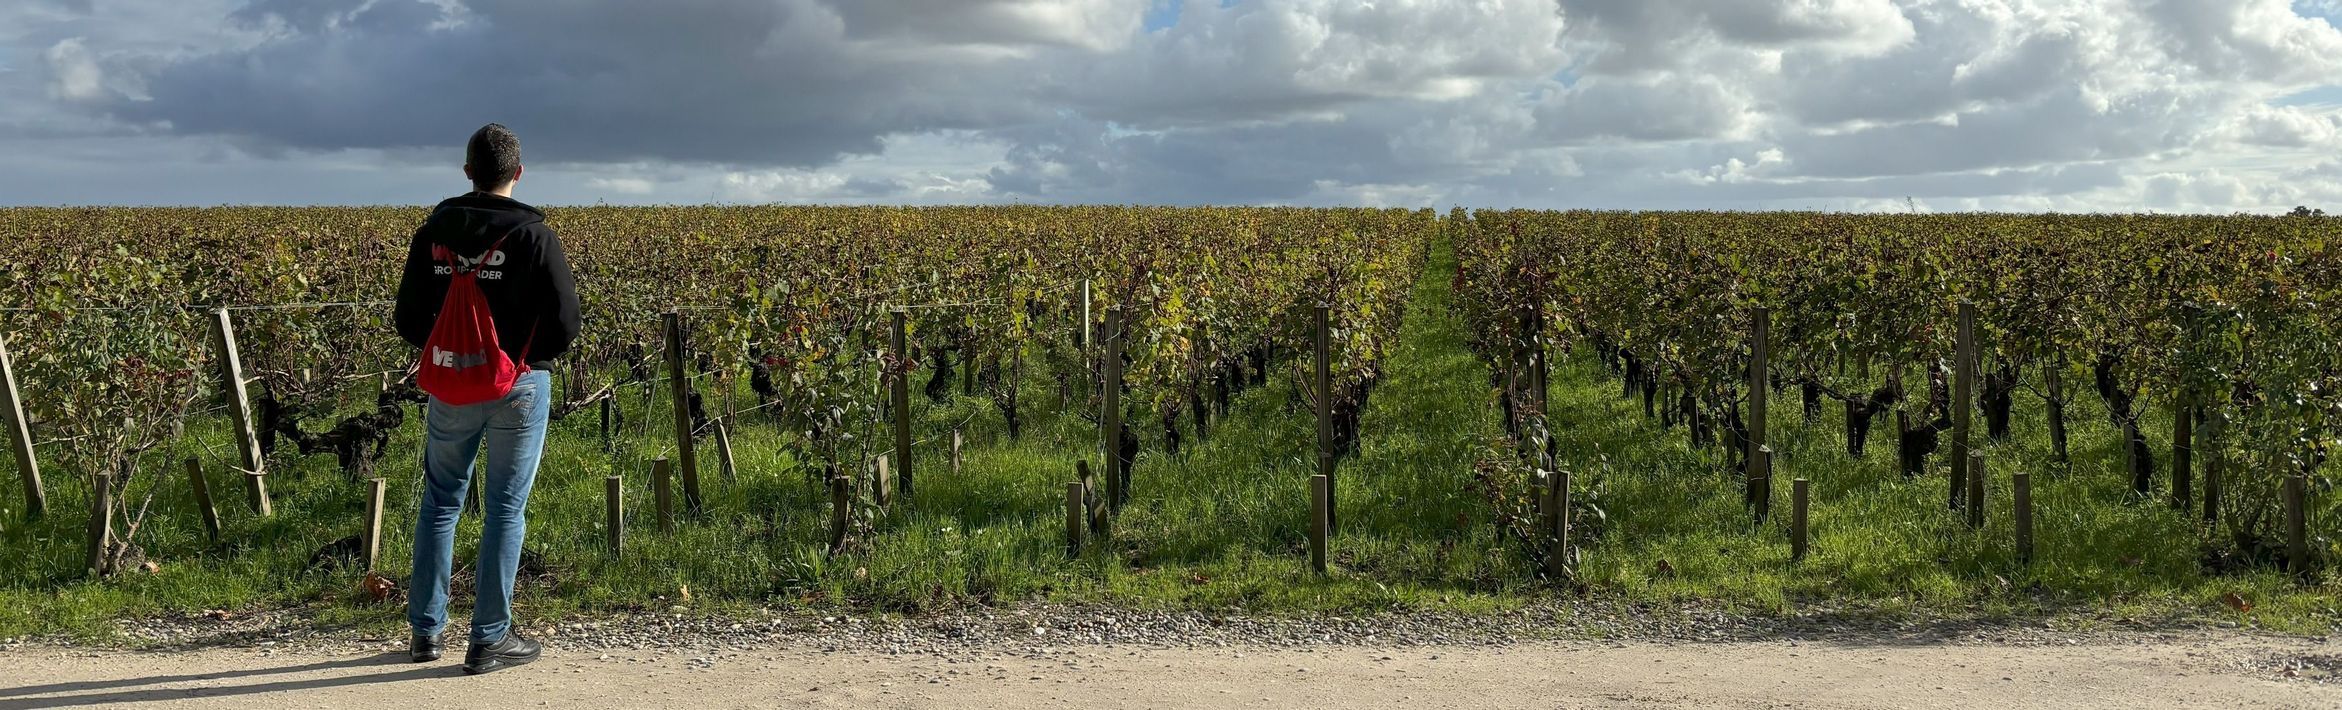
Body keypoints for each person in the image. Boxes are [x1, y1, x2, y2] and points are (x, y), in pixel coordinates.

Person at [393, 123, 580, 675]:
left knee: (441, 501)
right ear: (518, 174)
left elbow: (407, 319)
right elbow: (566, 323)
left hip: (450, 384)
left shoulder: (432, 233)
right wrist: (522, 358)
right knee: (504, 507)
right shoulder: (535, 235)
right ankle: (490, 638)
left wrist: (453, 351)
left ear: (467, 170)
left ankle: (425, 634)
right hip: (519, 386)